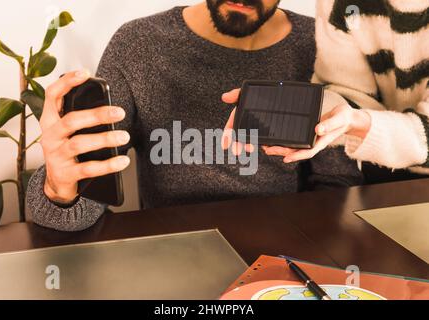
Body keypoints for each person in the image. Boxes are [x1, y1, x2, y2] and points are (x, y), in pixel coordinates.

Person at [26, 0, 363, 232]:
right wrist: (59, 188)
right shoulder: (139, 45)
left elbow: (337, 189)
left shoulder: (320, 45)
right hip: (171, 257)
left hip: (283, 262)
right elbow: (87, 199)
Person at [223, 0, 429, 180]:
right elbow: (350, 94)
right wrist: (298, 112)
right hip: (384, 174)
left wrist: (357, 122)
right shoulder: (344, 5)